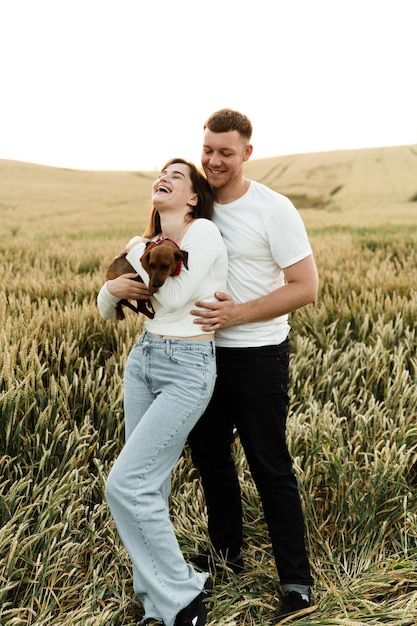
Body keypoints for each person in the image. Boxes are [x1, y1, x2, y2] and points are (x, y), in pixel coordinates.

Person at [186, 109, 319, 622]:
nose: (214, 160)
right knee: (212, 461)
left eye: (226, 152)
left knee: (269, 465)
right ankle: (227, 558)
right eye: (208, 150)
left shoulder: (273, 209)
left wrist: (237, 314)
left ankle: (296, 583)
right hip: (200, 356)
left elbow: (305, 287)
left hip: (260, 357)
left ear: (246, 153)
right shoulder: (196, 204)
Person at [97, 158, 228, 626]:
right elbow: (105, 307)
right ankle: (157, 600)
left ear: (193, 197)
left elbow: (169, 298)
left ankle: (185, 597)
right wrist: (112, 288)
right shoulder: (150, 243)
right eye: (161, 173)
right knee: (148, 485)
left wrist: (133, 251)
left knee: (124, 484)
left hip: (188, 366)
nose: (164, 178)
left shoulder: (203, 236)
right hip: (145, 359)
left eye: (176, 176)